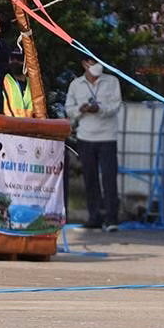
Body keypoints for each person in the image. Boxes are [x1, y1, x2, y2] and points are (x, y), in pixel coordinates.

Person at [65, 57, 123, 231]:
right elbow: (69, 109)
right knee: (90, 179)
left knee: (109, 177)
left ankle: (112, 219)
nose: (97, 66)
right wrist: (80, 110)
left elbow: (116, 105)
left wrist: (100, 109)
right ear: (84, 64)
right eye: (92, 62)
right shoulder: (76, 84)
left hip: (107, 137)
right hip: (85, 136)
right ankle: (94, 217)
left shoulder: (112, 81)